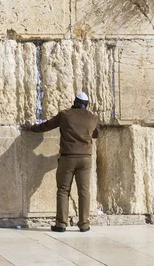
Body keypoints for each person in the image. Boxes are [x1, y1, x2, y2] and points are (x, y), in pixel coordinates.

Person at [23, 92, 99, 233]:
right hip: (85, 158)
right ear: (86, 104)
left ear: (75, 101)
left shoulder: (65, 115)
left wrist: (31, 128)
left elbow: (46, 126)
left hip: (68, 158)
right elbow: (96, 134)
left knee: (63, 191)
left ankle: (61, 224)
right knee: (84, 191)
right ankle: (84, 224)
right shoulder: (93, 118)